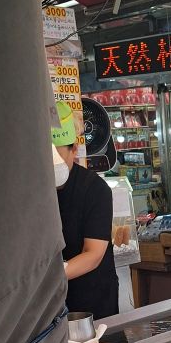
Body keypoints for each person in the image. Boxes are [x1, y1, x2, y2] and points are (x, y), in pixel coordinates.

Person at [52, 102, 119, 320]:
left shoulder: (94, 190)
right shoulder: (33, 190)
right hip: (50, 302)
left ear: (74, 149)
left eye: (57, 158)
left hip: (91, 301)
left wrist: (50, 277)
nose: (51, 165)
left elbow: (93, 254)